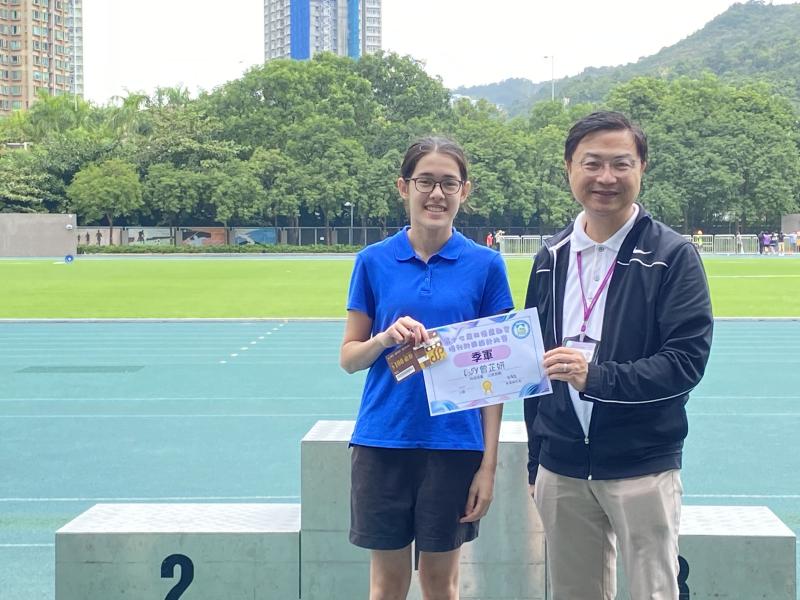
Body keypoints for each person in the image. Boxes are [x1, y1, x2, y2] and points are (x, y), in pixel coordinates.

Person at [523, 111, 714, 600]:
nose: (606, 177)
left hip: (641, 464)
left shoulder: (672, 255)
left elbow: (685, 362)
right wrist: (536, 461)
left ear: (641, 168)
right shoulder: (551, 257)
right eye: (592, 163)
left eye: (620, 164)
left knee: (654, 591)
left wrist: (597, 378)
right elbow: (532, 366)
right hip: (562, 467)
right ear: (569, 168)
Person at [340, 137, 513, 600]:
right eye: (425, 182)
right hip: (383, 441)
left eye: (448, 183)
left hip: (454, 446)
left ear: (465, 191)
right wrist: (383, 338)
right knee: (387, 585)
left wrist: (488, 467)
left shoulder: (487, 265)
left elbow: (495, 374)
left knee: (441, 585)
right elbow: (349, 359)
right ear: (404, 186)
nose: (436, 194)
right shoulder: (372, 261)